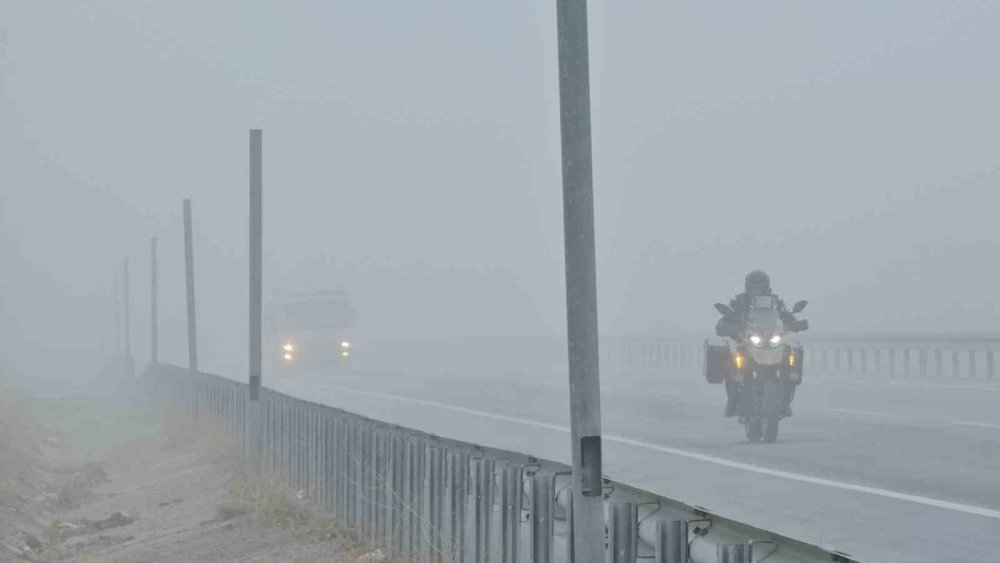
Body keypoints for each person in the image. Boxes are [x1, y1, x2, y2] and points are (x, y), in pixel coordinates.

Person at [715, 270, 808, 417]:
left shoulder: (776, 301)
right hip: (745, 339)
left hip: (770, 339)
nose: (756, 290)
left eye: (760, 287)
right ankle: (732, 399)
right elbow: (729, 317)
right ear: (748, 287)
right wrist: (727, 327)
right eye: (753, 287)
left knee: (790, 356)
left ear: (766, 287)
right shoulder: (739, 301)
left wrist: (796, 324)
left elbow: (786, 316)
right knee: (731, 361)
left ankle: (785, 401)